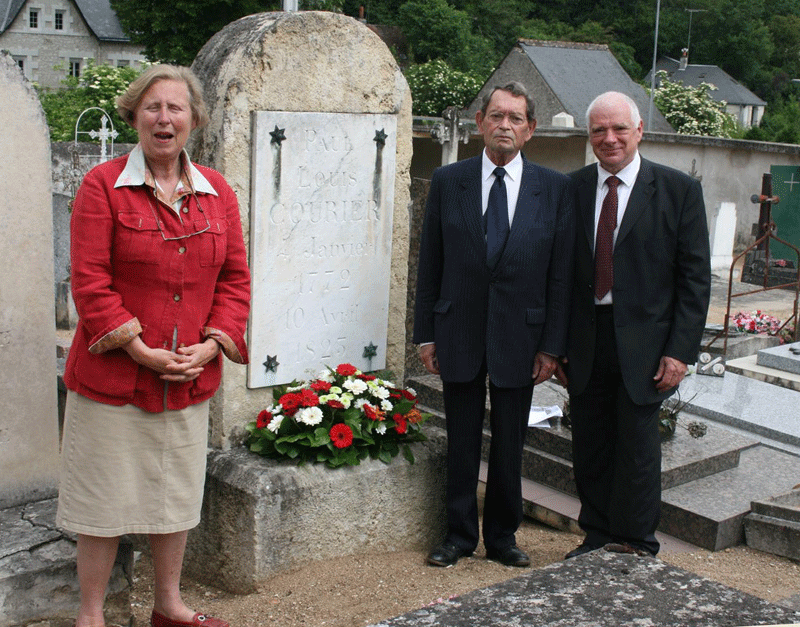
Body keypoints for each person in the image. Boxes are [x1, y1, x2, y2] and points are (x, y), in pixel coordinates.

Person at [56, 65, 250, 627]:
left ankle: (168, 606)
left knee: (174, 500)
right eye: (152, 108)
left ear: (194, 120)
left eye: (176, 108)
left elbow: (235, 281)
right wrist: (138, 349)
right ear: (134, 116)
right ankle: (90, 615)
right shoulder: (103, 186)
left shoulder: (217, 196)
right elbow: (90, 282)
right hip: (114, 379)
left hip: (185, 377)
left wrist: (213, 345)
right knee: (101, 505)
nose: (164, 119)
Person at [414, 82, 575, 568]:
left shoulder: (554, 188)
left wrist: (552, 345)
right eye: (497, 115)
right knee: (461, 439)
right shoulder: (449, 180)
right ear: (480, 121)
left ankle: (502, 538)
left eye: (516, 118)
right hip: (458, 331)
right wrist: (427, 332)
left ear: (530, 130)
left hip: (521, 339)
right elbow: (431, 262)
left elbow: (560, 275)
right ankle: (458, 536)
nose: (505, 125)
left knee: (510, 442)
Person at [558, 91, 710, 559]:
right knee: (591, 444)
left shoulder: (677, 190)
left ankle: (636, 540)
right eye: (599, 130)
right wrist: (555, 344)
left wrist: (680, 351)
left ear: (639, 130)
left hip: (647, 343)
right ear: (589, 136)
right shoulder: (574, 188)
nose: (609, 138)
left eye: (619, 128)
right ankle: (597, 535)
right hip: (586, 338)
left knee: (638, 449)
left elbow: (694, 277)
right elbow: (559, 273)